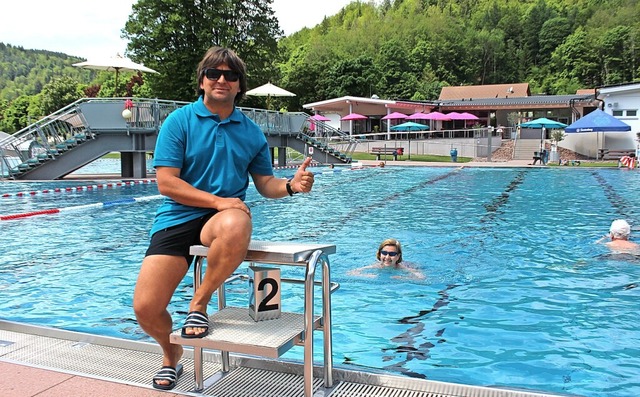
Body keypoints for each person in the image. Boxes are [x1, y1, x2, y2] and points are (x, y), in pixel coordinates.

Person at [133, 46, 315, 390]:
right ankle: (171, 354)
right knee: (145, 308)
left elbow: (265, 184)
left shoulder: (250, 132)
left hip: (223, 221)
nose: (221, 79)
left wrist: (291, 186)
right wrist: (217, 201)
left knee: (237, 218)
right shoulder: (180, 121)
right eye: (213, 74)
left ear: (238, 86)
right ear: (202, 81)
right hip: (177, 217)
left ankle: (197, 305)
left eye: (230, 75)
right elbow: (167, 182)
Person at [348, 238, 425, 279]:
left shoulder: (402, 268)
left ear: (398, 256)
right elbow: (351, 273)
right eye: (384, 253)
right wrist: (368, 276)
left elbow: (421, 278)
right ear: (379, 254)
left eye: (392, 254)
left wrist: (403, 278)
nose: (387, 257)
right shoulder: (376, 266)